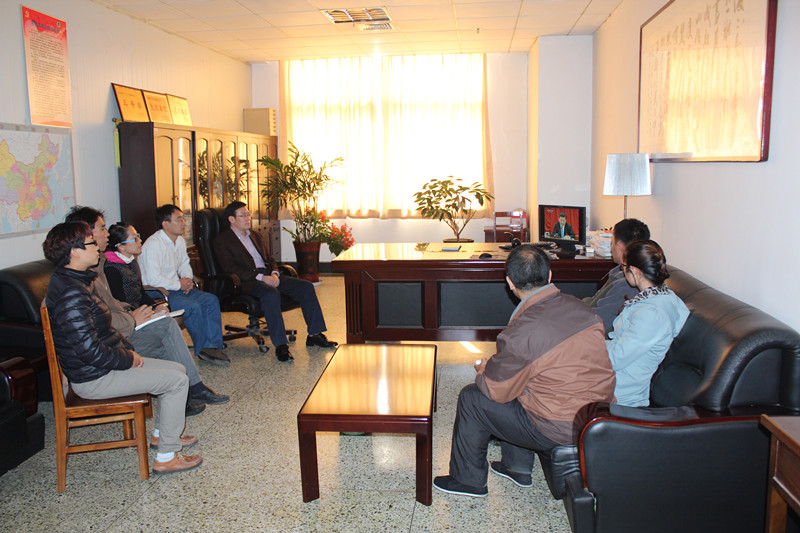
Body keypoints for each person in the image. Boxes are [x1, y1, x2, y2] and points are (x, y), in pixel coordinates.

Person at [433, 245, 615, 497]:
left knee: (472, 397)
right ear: (549, 275)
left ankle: (468, 481)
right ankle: (516, 468)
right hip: (597, 415)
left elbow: (496, 390)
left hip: (559, 427)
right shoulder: (583, 310)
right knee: (526, 383)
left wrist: (482, 370)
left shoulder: (522, 330)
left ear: (510, 282)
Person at [43, 221, 202, 474]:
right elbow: (89, 351)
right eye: (91, 243)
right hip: (94, 377)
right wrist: (128, 358)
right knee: (176, 382)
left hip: (101, 367)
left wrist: (126, 352)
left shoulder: (76, 281)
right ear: (74, 252)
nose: (97, 247)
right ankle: (167, 457)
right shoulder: (71, 293)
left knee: (177, 369)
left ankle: (162, 436)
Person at [65, 206, 226, 414]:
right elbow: (98, 321)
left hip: (123, 325)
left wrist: (144, 310)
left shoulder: (98, 264)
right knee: (168, 338)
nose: (106, 234)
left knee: (171, 323)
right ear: (84, 234)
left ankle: (192, 388)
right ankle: (187, 391)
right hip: (113, 340)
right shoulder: (84, 278)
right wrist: (132, 318)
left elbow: (115, 302)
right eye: (102, 229)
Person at [104, 221, 229, 406]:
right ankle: (194, 389)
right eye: (134, 238)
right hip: (130, 321)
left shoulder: (131, 262)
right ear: (121, 246)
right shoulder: (111, 269)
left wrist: (156, 306)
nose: (140, 241)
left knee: (173, 321)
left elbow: (141, 292)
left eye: (138, 236)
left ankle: (189, 390)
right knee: (169, 329)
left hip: (141, 314)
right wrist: (137, 316)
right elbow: (119, 304)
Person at [213, 201, 337, 362]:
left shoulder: (255, 235)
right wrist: (261, 277)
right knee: (271, 294)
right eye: (243, 215)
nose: (248, 218)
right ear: (231, 219)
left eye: (248, 214)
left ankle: (315, 334)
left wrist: (274, 273)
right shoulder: (222, 241)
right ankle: (281, 345)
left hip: (268, 275)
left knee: (306, 287)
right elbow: (231, 268)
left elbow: (270, 258)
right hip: (247, 281)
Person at [139, 205, 229, 366]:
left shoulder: (179, 241)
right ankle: (203, 348)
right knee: (193, 307)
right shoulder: (153, 244)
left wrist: (187, 280)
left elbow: (184, 264)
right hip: (158, 293)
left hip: (176, 287)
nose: (183, 223)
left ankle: (213, 345)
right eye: (179, 219)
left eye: (183, 219)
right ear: (165, 224)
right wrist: (179, 284)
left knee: (210, 300)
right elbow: (153, 279)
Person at [606, 240, 689, 407]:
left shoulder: (652, 315)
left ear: (635, 271)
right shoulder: (663, 297)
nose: (623, 272)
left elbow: (615, 359)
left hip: (619, 391)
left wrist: (586, 350)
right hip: (613, 376)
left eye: (624, 267)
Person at [584, 218, 650, 331]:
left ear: (619, 248)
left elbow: (596, 322)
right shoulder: (621, 271)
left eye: (612, 243)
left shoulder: (628, 284)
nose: (611, 247)